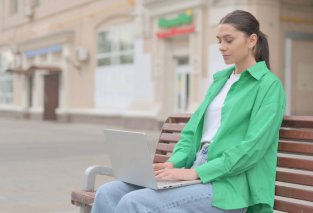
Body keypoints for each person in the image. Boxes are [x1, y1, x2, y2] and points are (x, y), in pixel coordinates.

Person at [91, 10, 286, 213]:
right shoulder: (221, 81)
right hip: (196, 168)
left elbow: (253, 148)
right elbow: (191, 133)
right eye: (219, 40)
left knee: (134, 203)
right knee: (108, 193)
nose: (222, 47)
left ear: (251, 40)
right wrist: (174, 164)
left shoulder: (268, 86)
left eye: (229, 40)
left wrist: (197, 173)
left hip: (230, 186)